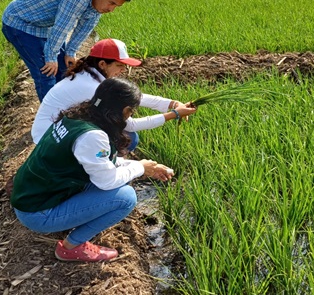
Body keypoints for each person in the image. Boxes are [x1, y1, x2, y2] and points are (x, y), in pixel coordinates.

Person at [11, 78, 188, 262]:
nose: (130, 116)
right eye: (131, 111)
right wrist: (140, 167)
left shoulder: (76, 116)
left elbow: (102, 163)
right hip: (38, 213)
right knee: (125, 198)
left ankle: (76, 219)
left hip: (34, 195)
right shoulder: (93, 136)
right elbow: (107, 180)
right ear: (126, 110)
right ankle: (71, 247)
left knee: (122, 179)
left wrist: (145, 166)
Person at [31, 38, 196, 150]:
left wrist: (172, 103)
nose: (123, 70)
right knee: (128, 137)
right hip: (50, 140)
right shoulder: (91, 87)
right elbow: (130, 125)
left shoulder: (89, 74)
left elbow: (138, 97)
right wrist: (173, 114)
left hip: (51, 132)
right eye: (119, 65)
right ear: (103, 63)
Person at [1, 0, 133, 101]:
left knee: (64, 69)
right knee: (46, 73)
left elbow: (84, 28)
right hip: (20, 22)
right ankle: (51, 118)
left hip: (43, 26)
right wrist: (51, 57)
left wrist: (70, 52)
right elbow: (61, 28)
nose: (111, 9)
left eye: (116, 6)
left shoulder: (97, 3)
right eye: (111, 3)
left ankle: (65, 107)